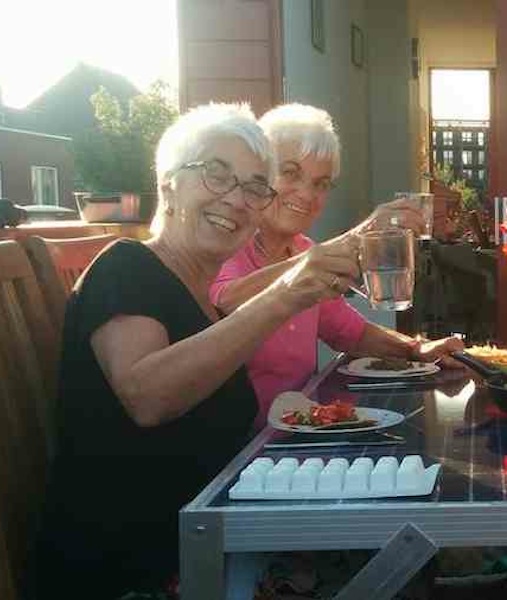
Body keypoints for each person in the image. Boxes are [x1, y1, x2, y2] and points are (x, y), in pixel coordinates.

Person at [32, 103, 366, 598]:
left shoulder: (197, 295)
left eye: (255, 188)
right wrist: (286, 296)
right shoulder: (126, 267)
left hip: (214, 544)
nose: (237, 199)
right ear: (168, 182)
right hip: (140, 570)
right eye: (216, 175)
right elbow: (149, 396)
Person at [209, 103, 464, 426]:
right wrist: (356, 237)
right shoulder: (226, 238)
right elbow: (226, 303)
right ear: (259, 175)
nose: (306, 193)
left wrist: (418, 349)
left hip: (296, 437)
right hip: (237, 448)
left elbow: (350, 332)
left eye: (321, 183)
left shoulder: (303, 250)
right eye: (290, 172)